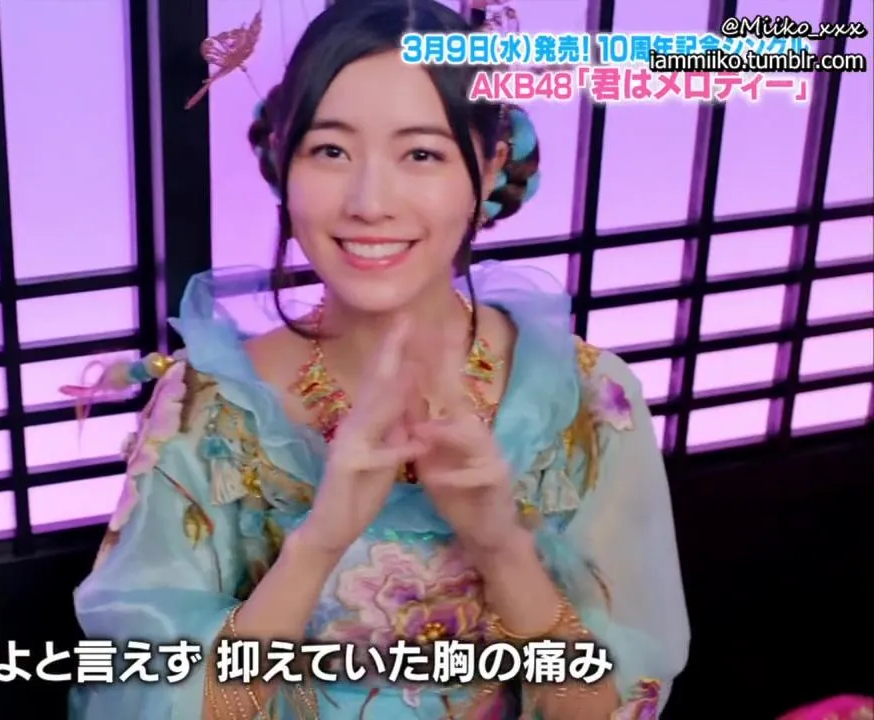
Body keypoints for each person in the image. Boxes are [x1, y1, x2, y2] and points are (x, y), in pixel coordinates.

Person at [64, 1, 690, 717]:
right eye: (330, 151)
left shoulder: (587, 402)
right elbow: (140, 698)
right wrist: (320, 540)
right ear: (283, 162)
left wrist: (500, 545)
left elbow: (615, 708)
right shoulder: (206, 408)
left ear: (490, 167)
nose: (369, 202)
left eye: (421, 154)